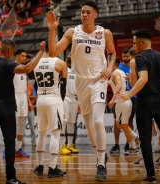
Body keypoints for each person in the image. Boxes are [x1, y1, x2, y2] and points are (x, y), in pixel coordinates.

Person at [46, 0, 116, 180]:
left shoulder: (104, 33)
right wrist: (52, 29)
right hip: (81, 83)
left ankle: (100, 163)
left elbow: (113, 52)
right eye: (82, 12)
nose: (84, 14)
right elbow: (53, 52)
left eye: (87, 12)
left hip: (99, 81)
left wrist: (110, 66)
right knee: (90, 125)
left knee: (99, 121)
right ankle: (101, 154)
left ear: (95, 15)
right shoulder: (72, 32)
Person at [117, 28, 160, 183]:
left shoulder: (140, 58)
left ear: (141, 43)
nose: (133, 46)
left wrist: (129, 93)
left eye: (134, 43)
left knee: (146, 138)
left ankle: (151, 175)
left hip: (145, 101)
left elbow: (143, 79)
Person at [0, 39, 45, 184]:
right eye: (12, 52)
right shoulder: (8, 64)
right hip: (6, 111)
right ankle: (10, 178)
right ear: (8, 51)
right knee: (9, 145)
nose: (12, 55)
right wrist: (41, 53)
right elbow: (27, 69)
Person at [33, 39, 68, 178]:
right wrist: (61, 101)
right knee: (55, 133)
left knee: (41, 132)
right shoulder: (60, 63)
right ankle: (53, 168)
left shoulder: (36, 62)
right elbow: (63, 86)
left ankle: (39, 166)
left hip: (40, 98)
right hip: (54, 98)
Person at [108, 57, 139, 155]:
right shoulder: (121, 72)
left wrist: (112, 100)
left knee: (121, 124)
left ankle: (134, 141)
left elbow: (119, 85)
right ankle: (133, 141)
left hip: (121, 101)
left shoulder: (115, 73)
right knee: (120, 124)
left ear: (113, 64)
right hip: (125, 100)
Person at [59, 53, 79, 155]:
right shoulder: (63, 68)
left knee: (72, 122)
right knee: (65, 120)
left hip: (75, 98)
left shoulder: (77, 70)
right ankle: (62, 146)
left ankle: (70, 145)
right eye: (69, 58)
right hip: (65, 97)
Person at [13, 49, 30, 157]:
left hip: (23, 97)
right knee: (12, 124)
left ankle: (18, 148)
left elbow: (25, 87)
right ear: (17, 56)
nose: (24, 58)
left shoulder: (24, 69)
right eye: (23, 56)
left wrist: (28, 101)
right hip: (14, 96)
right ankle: (9, 148)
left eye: (25, 56)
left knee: (21, 124)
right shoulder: (11, 67)